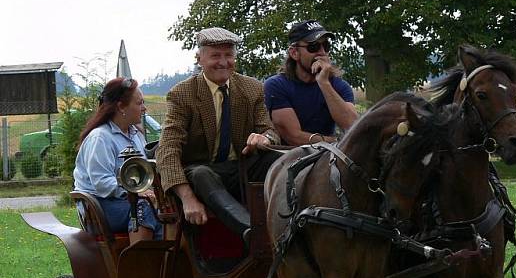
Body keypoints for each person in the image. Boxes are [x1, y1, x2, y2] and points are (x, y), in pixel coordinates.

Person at [156, 27, 282, 243]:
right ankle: (252, 233)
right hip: (201, 173)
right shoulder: (182, 93)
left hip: (241, 168)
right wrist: (188, 199)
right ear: (199, 59)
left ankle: (298, 223)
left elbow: (270, 131)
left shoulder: (252, 88)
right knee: (202, 173)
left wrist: (266, 139)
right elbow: (167, 148)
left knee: (280, 160)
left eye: (229, 55)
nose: (223, 62)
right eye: (215, 55)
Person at [73, 77, 162, 243]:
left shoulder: (136, 135)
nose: (144, 108)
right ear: (121, 106)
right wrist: (135, 191)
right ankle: (140, 265)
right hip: (100, 206)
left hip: (128, 201)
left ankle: (167, 263)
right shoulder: (100, 137)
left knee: (170, 210)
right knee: (143, 208)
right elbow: (101, 183)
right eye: (139, 103)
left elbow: (144, 172)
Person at [264, 20, 357, 145]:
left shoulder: (338, 86)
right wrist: (338, 142)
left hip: (327, 157)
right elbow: (294, 137)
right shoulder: (276, 85)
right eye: (313, 47)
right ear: (294, 53)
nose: (322, 52)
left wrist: (324, 84)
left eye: (326, 46)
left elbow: (352, 126)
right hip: (288, 158)